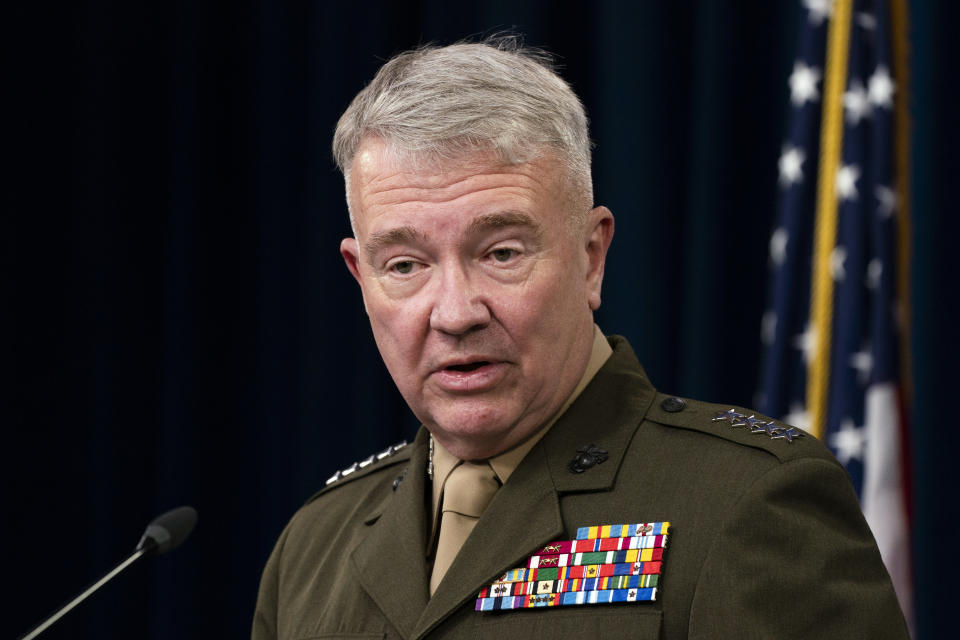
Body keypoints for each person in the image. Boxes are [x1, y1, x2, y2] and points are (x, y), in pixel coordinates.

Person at [252, 38, 908, 640]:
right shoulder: (315, 546)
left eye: (501, 253)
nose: (454, 312)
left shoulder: (745, 504)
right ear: (359, 275)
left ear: (591, 257)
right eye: (404, 265)